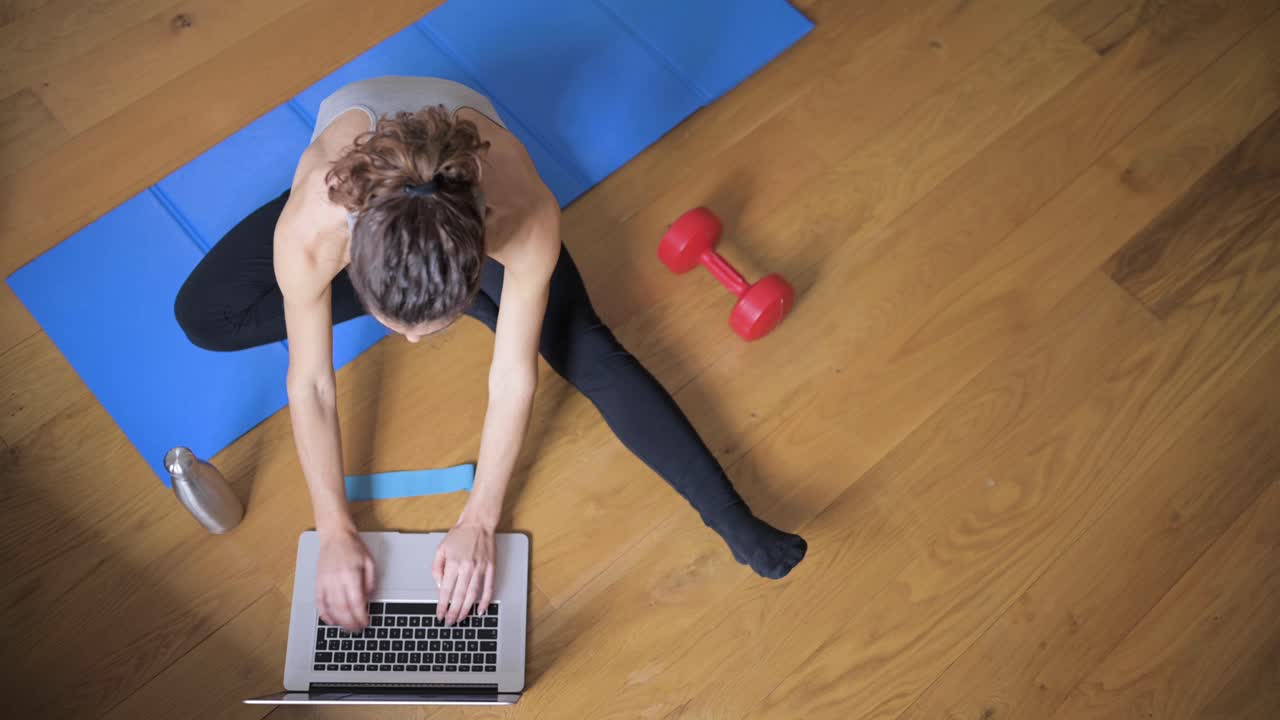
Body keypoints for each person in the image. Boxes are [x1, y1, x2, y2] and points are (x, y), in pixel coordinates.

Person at [174, 76, 807, 633]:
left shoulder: (526, 213)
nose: (416, 342)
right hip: (377, 198)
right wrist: (334, 529)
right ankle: (460, 298)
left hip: (466, 211)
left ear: (480, 260)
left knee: (586, 344)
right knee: (203, 319)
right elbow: (309, 385)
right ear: (352, 267)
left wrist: (480, 520)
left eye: (430, 324)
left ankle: (733, 518)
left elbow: (513, 380)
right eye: (403, 325)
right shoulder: (310, 231)